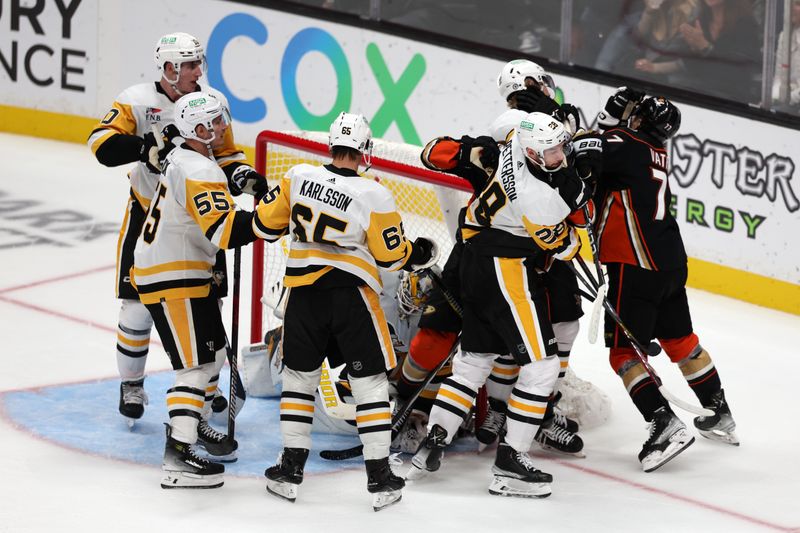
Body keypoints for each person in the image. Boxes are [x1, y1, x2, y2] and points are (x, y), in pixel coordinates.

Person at [252, 112, 437, 511]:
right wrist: (417, 253)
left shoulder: (297, 176)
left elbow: (265, 226)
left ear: (331, 146)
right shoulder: (374, 194)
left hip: (301, 295)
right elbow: (390, 258)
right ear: (364, 150)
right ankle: (379, 476)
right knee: (369, 383)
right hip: (351, 296)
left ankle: (289, 468)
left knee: (299, 381)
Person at [87, 32, 266, 427]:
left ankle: (208, 384)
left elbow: (227, 155)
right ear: (167, 68)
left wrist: (243, 175)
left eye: (198, 62)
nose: (198, 71)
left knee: (208, 305)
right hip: (149, 215)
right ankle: (131, 384)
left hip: (196, 219)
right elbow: (100, 143)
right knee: (136, 308)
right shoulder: (136, 100)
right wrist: (141, 148)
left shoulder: (210, 101)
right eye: (189, 64)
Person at [409, 111, 591, 498]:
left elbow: (432, 154)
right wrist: (577, 203)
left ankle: (434, 441)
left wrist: (465, 148)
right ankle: (511, 463)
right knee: (542, 365)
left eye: (561, 148)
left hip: (471, 264)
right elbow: (565, 247)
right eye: (554, 151)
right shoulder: (538, 198)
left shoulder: (503, 147)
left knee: (474, 360)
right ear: (534, 153)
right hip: (506, 272)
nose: (561, 155)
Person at [595, 88, 739, 473]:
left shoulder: (624, 143)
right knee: (680, 341)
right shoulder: (655, 152)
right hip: (672, 262)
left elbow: (579, 151)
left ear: (638, 119)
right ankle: (718, 410)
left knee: (622, 353)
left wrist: (606, 115)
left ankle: (663, 423)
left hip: (634, 264)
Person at [132, 91, 258, 488]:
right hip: (175, 275)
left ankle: (195, 424)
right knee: (195, 367)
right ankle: (178, 456)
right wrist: (270, 217)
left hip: (179, 270)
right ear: (200, 129)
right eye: (218, 122)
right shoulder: (199, 169)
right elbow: (223, 232)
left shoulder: (186, 159)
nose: (224, 128)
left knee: (213, 356)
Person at [478, 59, 592, 457]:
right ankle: (512, 413)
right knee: (515, 340)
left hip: (544, 242)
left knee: (564, 327)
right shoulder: (515, 121)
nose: (548, 89)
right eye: (541, 84)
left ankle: (538, 408)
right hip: (521, 244)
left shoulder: (541, 122)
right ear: (528, 83)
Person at [772, 0, 800, 110]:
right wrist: (773, 99)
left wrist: (784, 100)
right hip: (787, 103)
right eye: (790, 4)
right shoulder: (784, 37)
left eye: (798, 4)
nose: (791, 8)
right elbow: (779, 77)